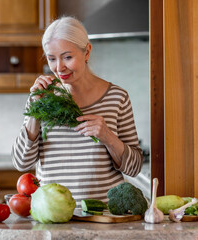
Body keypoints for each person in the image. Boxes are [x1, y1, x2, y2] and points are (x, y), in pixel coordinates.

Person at [11, 16, 143, 207]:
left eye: (67, 57)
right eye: (51, 59)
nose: (59, 67)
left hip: (102, 217)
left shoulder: (117, 97)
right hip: (53, 216)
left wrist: (107, 136)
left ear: (87, 52)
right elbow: (21, 164)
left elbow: (135, 167)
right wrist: (34, 112)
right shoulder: (42, 99)